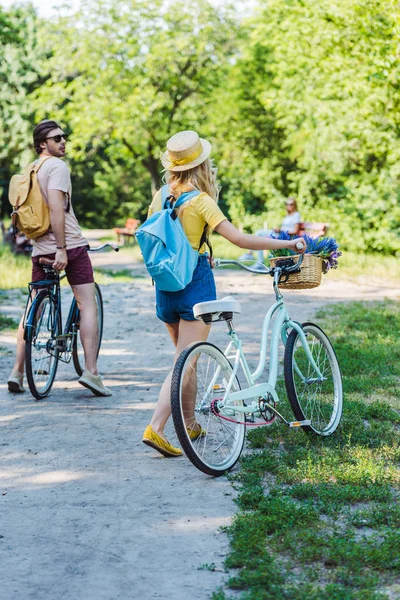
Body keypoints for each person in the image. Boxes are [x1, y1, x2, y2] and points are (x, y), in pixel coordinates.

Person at [142, 130, 306, 457]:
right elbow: (241, 239)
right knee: (183, 362)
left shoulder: (160, 196)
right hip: (194, 284)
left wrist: (199, 247)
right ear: (202, 165)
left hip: (165, 285)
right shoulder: (202, 201)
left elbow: (160, 238)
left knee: (188, 358)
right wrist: (288, 243)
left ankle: (189, 423)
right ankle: (156, 427)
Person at [7, 119, 111, 397]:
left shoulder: (31, 169)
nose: (63, 141)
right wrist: (63, 249)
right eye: (56, 138)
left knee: (33, 308)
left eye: (64, 137)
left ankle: (17, 371)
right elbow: (56, 209)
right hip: (69, 246)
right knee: (87, 304)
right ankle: (91, 372)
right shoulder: (57, 167)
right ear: (43, 143)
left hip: (40, 248)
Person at [240, 197, 302, 267]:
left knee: (259, 233)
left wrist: (281, 230)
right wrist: (278, 229)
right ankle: (252, 256)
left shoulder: (296, 215)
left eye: (291, 204)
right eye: (287, 204)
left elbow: (295, 231)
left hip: (285, 236)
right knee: (259, 233)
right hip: (280, 233)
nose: (289, 206)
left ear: (295, 205)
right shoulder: (287, 215)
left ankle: (251, 255)